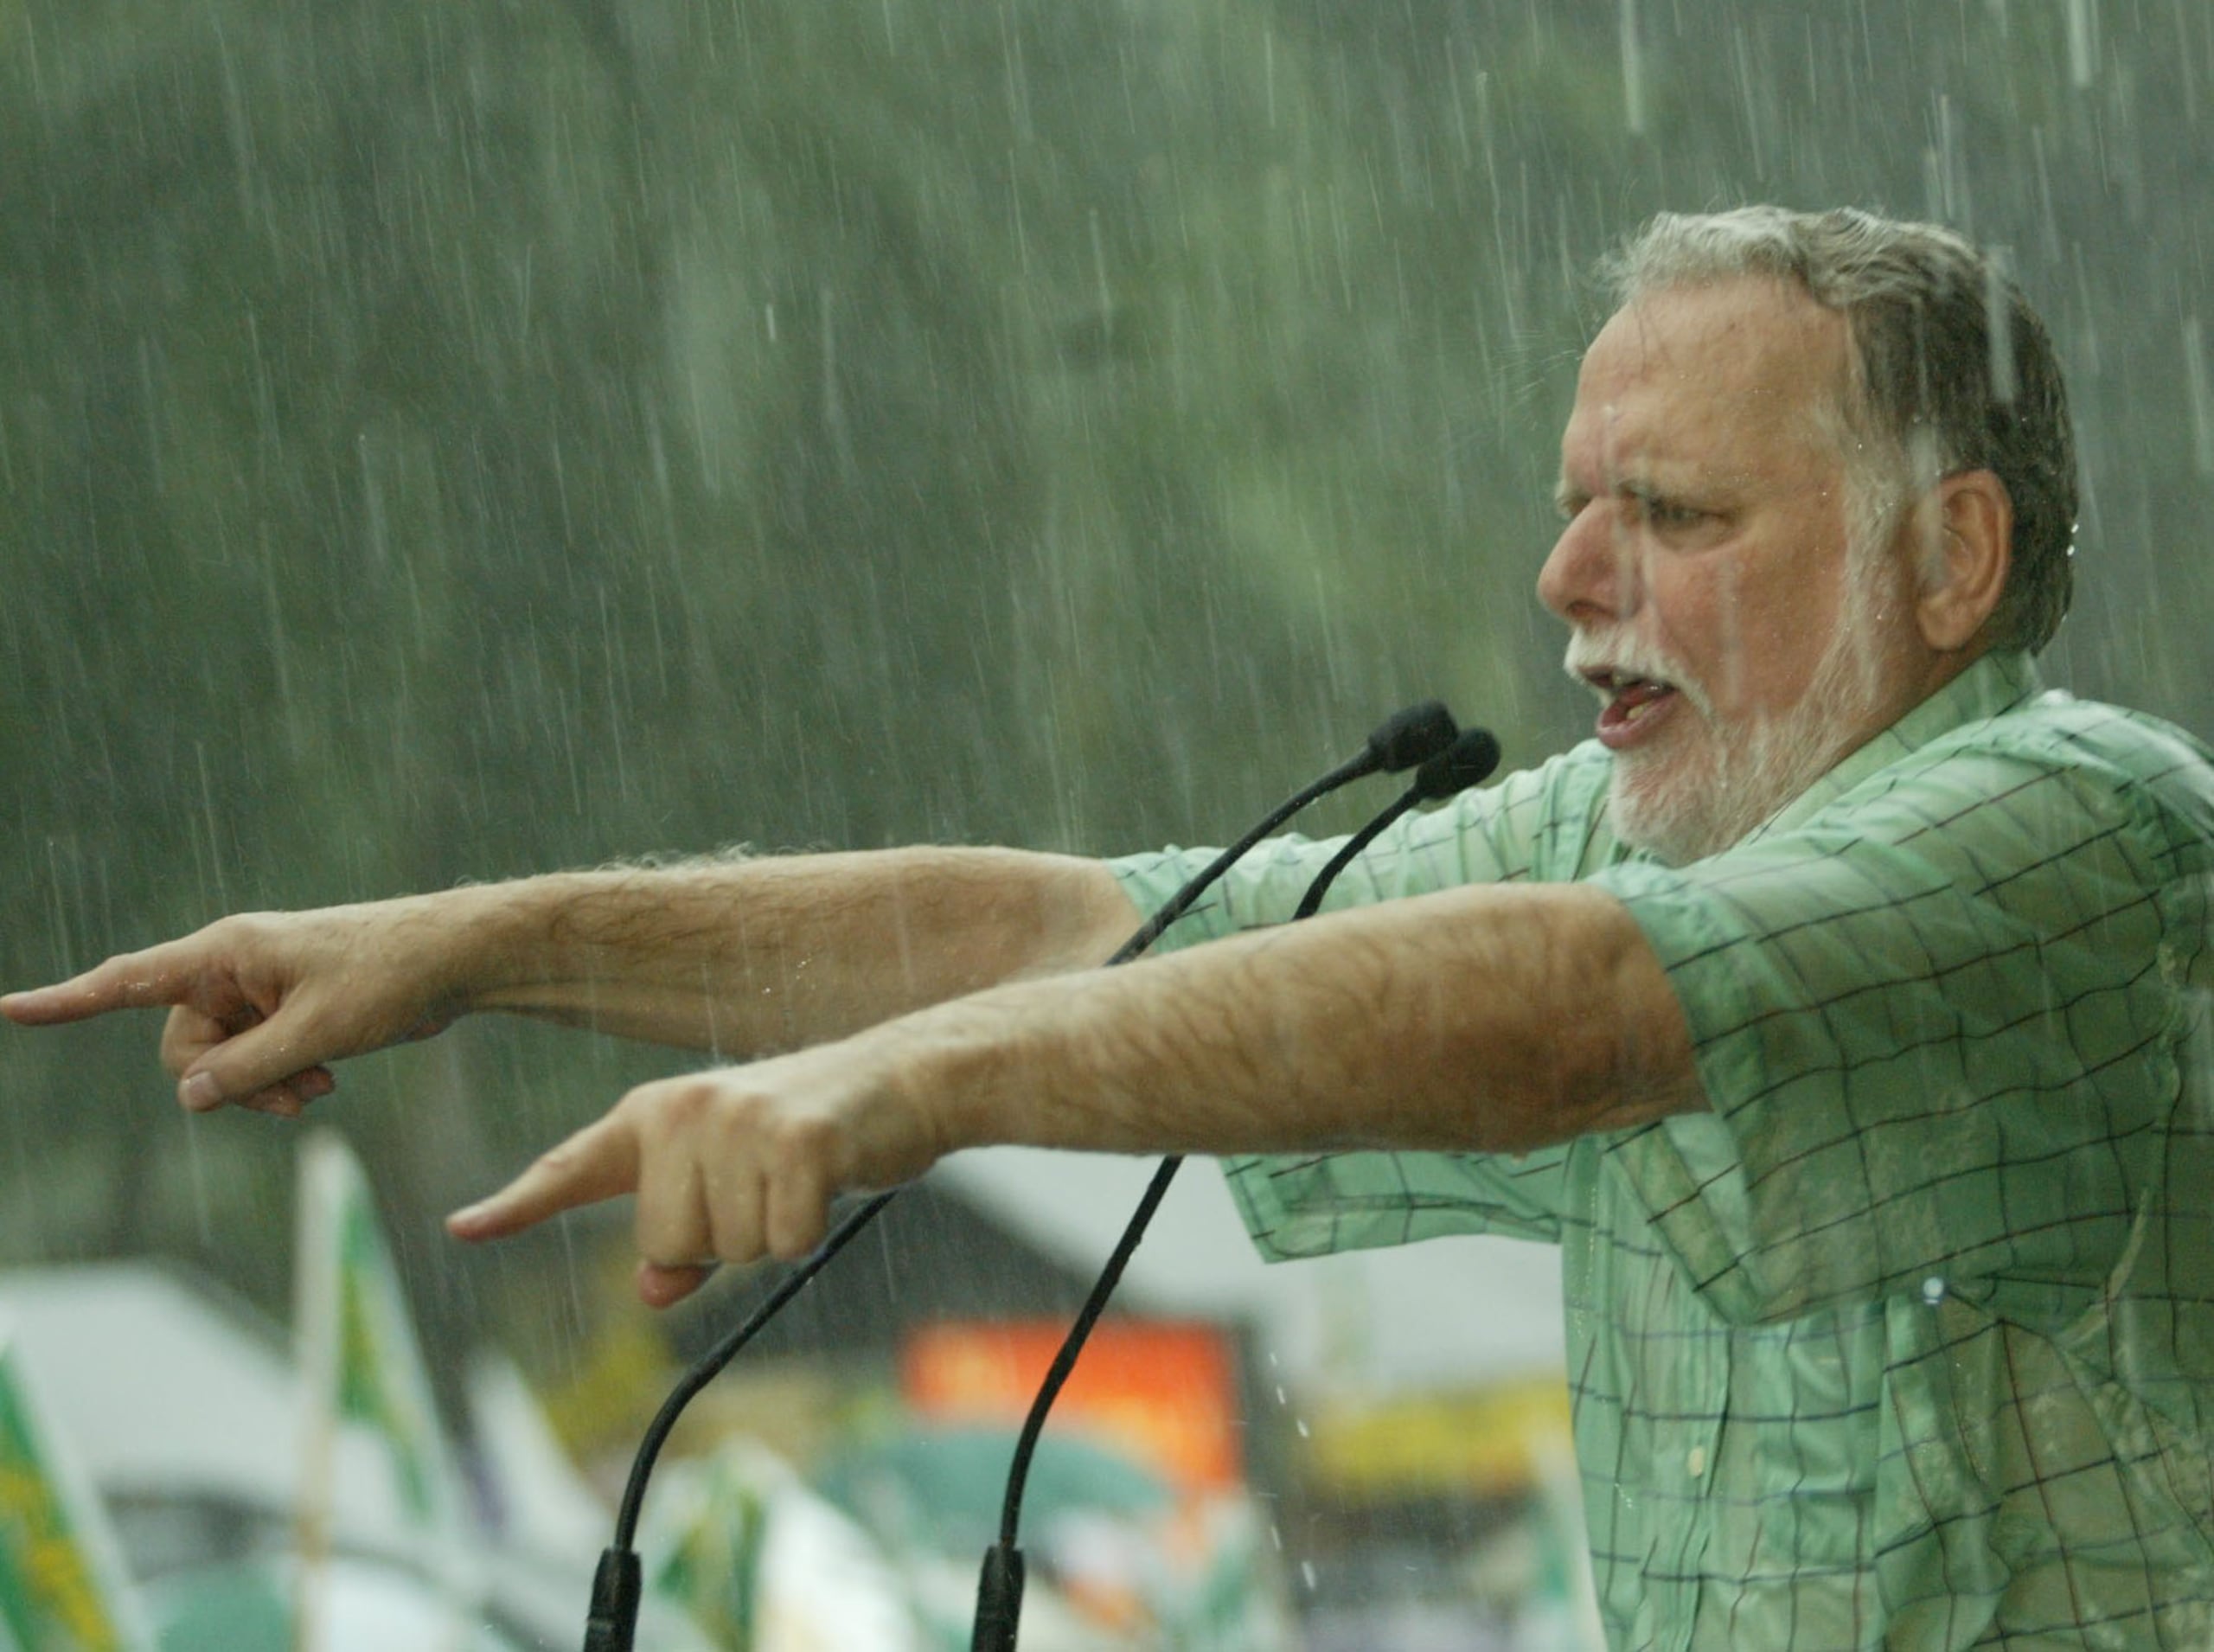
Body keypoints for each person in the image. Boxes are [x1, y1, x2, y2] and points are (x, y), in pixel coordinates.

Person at [7, 205, 2212, 1645]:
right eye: (1570, 510)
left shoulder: (2079, 829)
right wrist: (475, 942)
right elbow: (1096, 934)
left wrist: (891, 1094)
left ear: (1947, 557)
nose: (1560, 580)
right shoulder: (1642, 834)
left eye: (1670, 512)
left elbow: (1568, 1015)